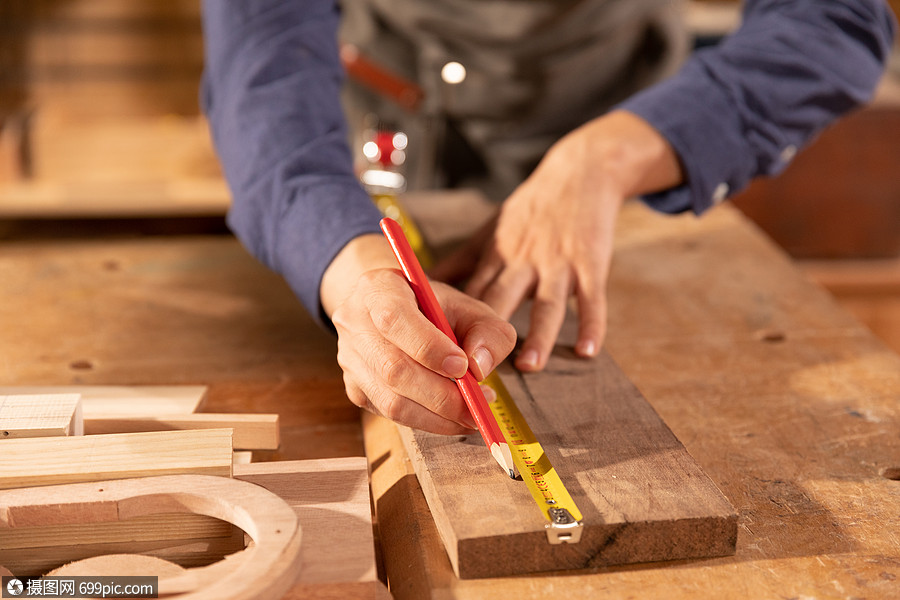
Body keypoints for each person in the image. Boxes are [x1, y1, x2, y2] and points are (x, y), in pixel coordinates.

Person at [200, 1, 896, 435]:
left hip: (636, 153)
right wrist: (347, 265)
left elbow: (836, 18)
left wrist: (606, 161)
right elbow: (260, 59)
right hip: (381, 140)